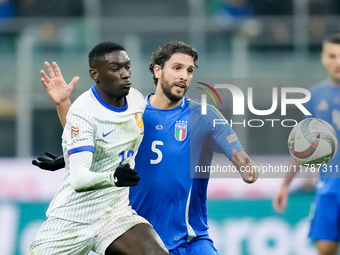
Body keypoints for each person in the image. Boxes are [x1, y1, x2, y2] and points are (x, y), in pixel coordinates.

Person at [33, 41, 259, 254]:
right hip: (133, 236)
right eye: (177, 68)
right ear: (157, 70)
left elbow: (240, 157)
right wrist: (64, 117)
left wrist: (247, 168)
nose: (184, 76)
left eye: (189, 71)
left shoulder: (205, 116)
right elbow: (90, 136)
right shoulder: (135, 110)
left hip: (192, 239)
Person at [28, 42, 169, 255]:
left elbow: (102, 139)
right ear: (95, 74)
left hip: (114, 214)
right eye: (115, 69)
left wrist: (70, 154)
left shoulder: (136, 100)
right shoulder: (83, 110)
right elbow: (78, 179)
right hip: (73, 219)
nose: (125, 74)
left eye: (127, 67)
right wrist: (111, 176)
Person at [273, 33, 340, 255]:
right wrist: (285, 184)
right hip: (328, 188)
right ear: (323, 58)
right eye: (332, 56)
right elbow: (303, 146)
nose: (337, 62)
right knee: (325, 247)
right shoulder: (316, 95)